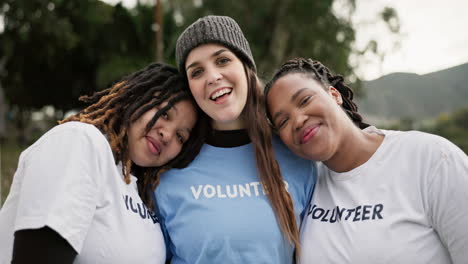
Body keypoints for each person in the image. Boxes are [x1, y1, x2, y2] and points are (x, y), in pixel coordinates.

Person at [264, 57, 468, 264]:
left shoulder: (431, 158)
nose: (298, 120)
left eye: (305, 100)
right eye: (283, 121)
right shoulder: (302, 185)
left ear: (333, 95)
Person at [0, 62, 205, 264]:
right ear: (136, 97)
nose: (167, 135)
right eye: (165, 113)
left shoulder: (140, 189)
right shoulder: (81, 141)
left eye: (180, 136)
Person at [154, 16, 316, 264]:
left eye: (223, 60)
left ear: (246, 67)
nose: (213, 77)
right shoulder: (168, 169)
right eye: (197, 72)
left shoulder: (298, 157)